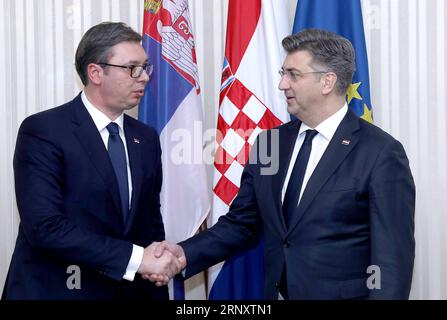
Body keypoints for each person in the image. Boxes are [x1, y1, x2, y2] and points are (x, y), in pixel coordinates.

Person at [152, 29, 416, 300]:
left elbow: (392, 263)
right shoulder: (270, 144)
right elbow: (242, 222)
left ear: (327, 82)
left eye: (293, 75)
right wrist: (183, 254)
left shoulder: (380, 153)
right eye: (283, 73)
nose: (282, 85)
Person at [2, 22, 183, 300]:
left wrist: (157, 263)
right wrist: (138, 259)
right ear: (96, 72)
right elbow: (45, 227)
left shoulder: (145, 138)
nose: (145, 77)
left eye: (146, 67)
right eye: (133, 68)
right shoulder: (43, 131)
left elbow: (149, 223)